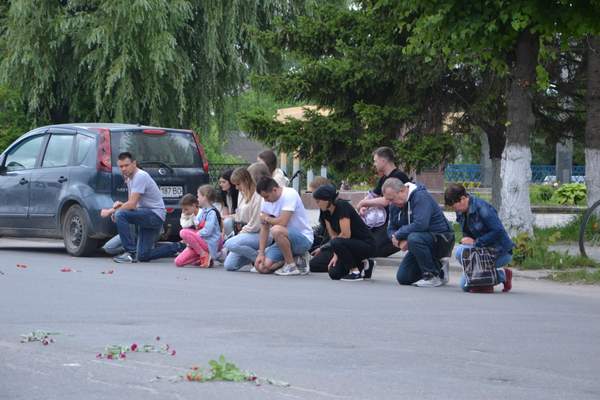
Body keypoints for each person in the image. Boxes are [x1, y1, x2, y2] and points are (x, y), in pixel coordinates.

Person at [100, 152, 180, 263]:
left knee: (120, 214)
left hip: (154, 216)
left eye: (126, 165)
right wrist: (120, 205)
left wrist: (111, 211)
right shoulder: (129, 179)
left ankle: (130, 253)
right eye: (121, 166)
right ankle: (179, 247)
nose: (123, 169)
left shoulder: (140, 176)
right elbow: (132, 205)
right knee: (143, 256)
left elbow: (131, 205)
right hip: (147, 216)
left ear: (134, 163)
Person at [383, 178, 454, 287]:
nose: (391, 203)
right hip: (418, 241)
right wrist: (399, 240)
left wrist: (399, 234)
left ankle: (431, 275)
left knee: (414, 238)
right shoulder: (395, 205)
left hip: (441, 239)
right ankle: (439, 269)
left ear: (402, 191)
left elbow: (421, 224)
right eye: (389, 200)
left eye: (392, 199)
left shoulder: (420, 197)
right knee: (403, 278)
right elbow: (391, 228)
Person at [444, 183, 514, 293]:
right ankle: (492, 276)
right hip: (482, 251)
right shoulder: (461, 211)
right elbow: (467, 231)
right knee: (461, 255)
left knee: (466, 282)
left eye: (454, 206)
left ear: (463, 199)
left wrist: (476, 242)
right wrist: (467, 240)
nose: (454, 209)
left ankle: (502, 275)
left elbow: (498, 231)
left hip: (500, 252)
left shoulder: (482, 208)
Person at [356, 147, 411, 277]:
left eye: (375, 161)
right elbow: (373, 195)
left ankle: (399, 240)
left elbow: (387, 200)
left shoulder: (399, 176)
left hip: (395, 223)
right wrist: (365, 205)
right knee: (366, 243)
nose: (374, 164)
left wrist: (364, 203)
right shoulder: (383, 178)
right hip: (381, 222)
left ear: (383, 160)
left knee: (374, 249)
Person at [309, 185, 376, 281]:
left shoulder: (342, 206)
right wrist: (336, 254)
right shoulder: (325, 212)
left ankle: (355, 272)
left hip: (365, 244)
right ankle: (365, 265)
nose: (317, 204)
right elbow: (333, 236)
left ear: (327, 200)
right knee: (334, 273)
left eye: (318, 201)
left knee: (336, 242)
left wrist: (330, 249)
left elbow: (345, 234)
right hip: (346, 245)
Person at [254, 177, 313, 276]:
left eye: (267, 197)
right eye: (263, 198)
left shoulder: (290, 194)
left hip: (303, 239)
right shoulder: (266, 201)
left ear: (274, 190)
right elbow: (264, 228)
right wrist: (261, 253)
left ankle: (291, 266)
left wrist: (267, 218)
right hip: (282, 241)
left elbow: (282, 222)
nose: (265, 200)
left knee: (276, 230)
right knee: (262, 267)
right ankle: (295, 259)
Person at [223, 167, 265, 271]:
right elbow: (239, 215)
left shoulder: (258, 196)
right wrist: (231, 217)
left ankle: (259, 259)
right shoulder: (242, 194)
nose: (236, 188)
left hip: (258, 233)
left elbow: (256, 224)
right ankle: (255, 256)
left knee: (229, 243)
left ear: (245, 181)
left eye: (238, 184)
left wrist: (241, 232)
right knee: (229, 265)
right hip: (246, 232)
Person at [175, 186, 223, 267]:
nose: (197, 199)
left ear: (205, 197)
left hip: (209, 242)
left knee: (183, 232)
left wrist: (194, 236)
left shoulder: (211, 213)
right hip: (200, 243)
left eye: (198, 196)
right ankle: (204, 257)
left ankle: (204, 254)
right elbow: (197, 225)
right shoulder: (203, 211)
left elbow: (208, 231)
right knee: (178, 262)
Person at [307, 176, 332, 253]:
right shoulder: (323, 205)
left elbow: (331, 233)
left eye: (314, 193)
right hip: (323, 236)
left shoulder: (331, 207)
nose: (313, 196)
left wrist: (322, 247)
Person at [217, 169, 239, 236]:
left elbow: (239, 214)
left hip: (237, 219)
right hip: (230, 217)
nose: (221, 184)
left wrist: (226, 217)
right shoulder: (224, 194)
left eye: (224, 182)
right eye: (220, 182)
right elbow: (225, 210)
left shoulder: (238, 194)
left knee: (227, 222)